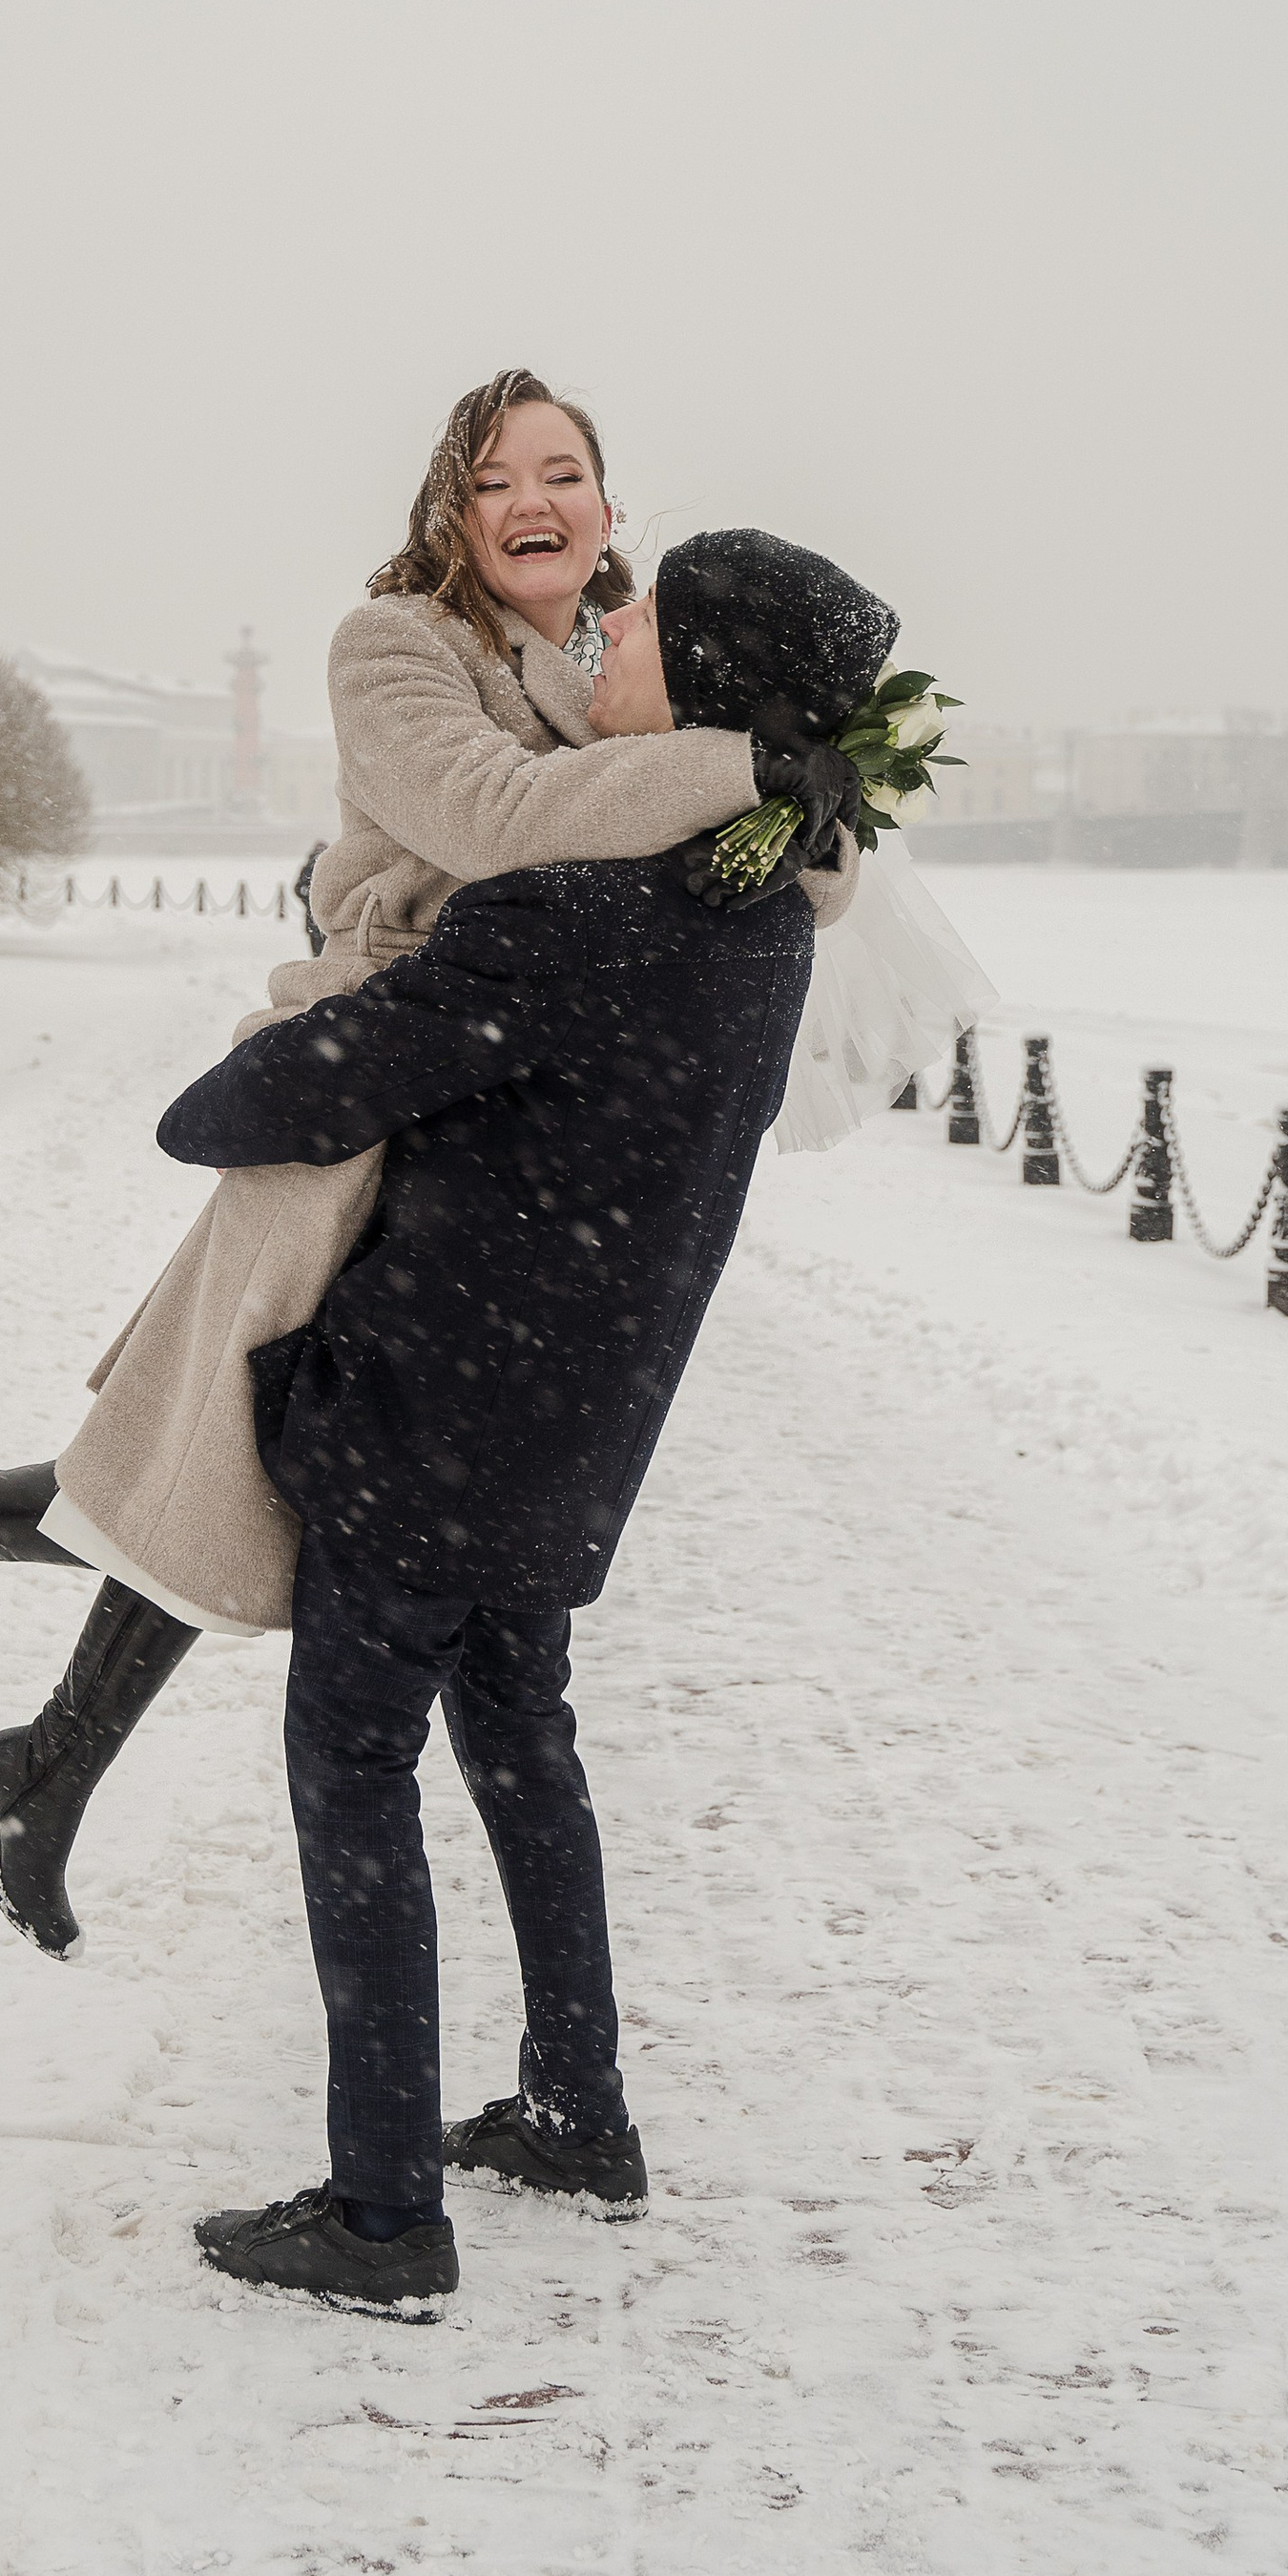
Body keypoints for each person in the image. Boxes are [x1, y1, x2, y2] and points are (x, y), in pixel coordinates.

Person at [0, 373, 861, 1958]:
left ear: (611, 504)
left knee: (228, 1478)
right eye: (500, 478)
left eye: (568, 469)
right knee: (209, 1464)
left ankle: (36, 1738)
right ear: (454, 507)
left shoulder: (623, 660)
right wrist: (741, 767)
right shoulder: (398, 650)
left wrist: (808, 806)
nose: (537, 499)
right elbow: (498, 819)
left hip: (490, 1109)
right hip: (363, 1076)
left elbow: (769, 886)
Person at [175, 527, 899, 2314]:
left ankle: (380, 2210)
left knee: (352, 1765)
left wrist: (340, 966)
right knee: (521, 1735)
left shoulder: (569, 913)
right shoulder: (765, 913)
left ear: (705, 683)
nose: (611, 620)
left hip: (433, 1416)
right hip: (580, 1428)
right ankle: (580, 2105)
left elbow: (241, 1107)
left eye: (646, 618)